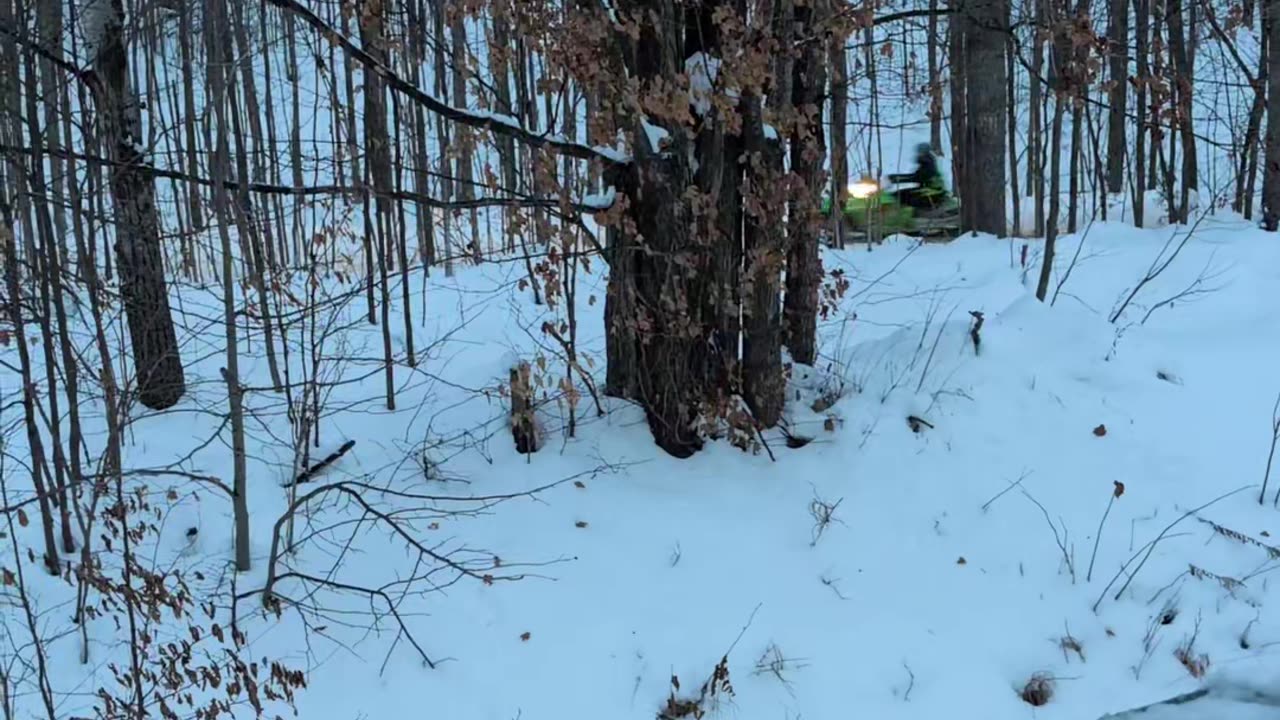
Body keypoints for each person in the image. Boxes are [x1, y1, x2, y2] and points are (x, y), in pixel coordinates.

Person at [889, 143, 948, 210]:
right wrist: (897, 177)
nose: (919, 154)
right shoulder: (927, 163)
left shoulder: (927, 164)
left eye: (920, 152)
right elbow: (916, 176)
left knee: (901, 196)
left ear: (924, 152)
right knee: (901, 194)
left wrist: (898, 179)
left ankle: (910, 215)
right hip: (930, 190)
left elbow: (917, 178)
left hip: (932, 193)